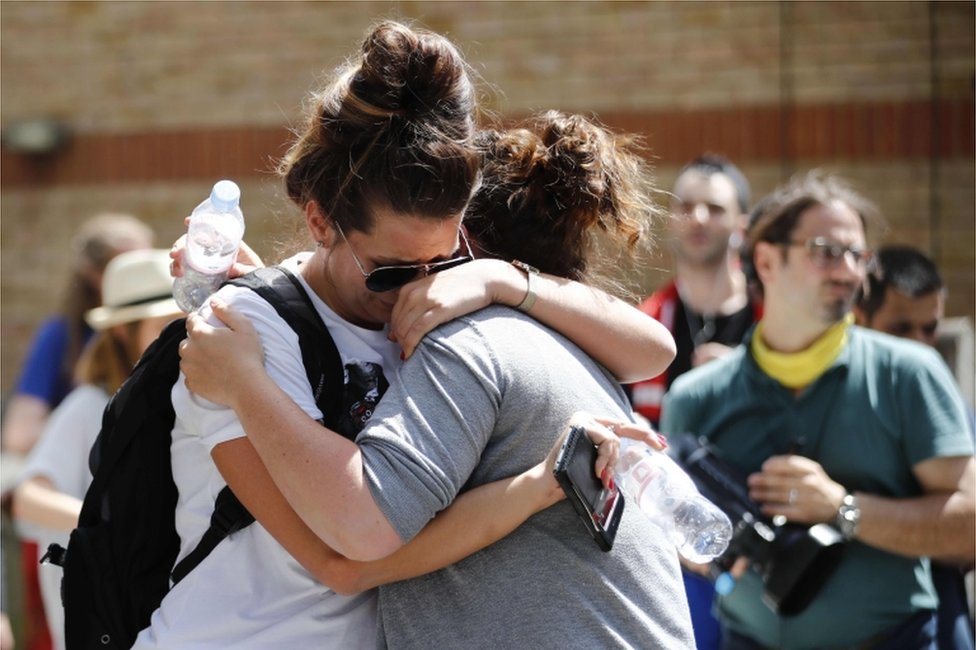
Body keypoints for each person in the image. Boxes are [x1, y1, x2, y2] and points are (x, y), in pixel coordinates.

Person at [137, 21, 681, 649]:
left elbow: (652, 351)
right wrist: (245, 382)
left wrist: (500, 280)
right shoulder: (239, 337)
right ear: (320, 220)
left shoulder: (451, 308)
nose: (421, 286)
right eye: (392, 270)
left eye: (445, 260)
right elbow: (346, 559)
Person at [659, 171, 975, 649]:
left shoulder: (910, 373)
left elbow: (968, 527)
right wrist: (710, 545)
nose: (848, 271)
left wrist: (843, 509)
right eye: (826, 251)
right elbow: (671, 541)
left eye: (858, 255)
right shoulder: (694, 396)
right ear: (766, 259)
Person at [11, 249, 183, 650]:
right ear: (124, 331)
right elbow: (27, 498)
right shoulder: (88, 406)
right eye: (167, 325)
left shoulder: (182, 406)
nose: (182, 336)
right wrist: (111, 529)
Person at [624, 153, 760, 649]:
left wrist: (746, 373)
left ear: (741, 225)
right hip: (671, 556)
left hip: (761, 548)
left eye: (715, 208)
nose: (698, 217)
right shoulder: (640, 326)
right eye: (686, 206)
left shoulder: (774, 326)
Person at [854, 244, 975, 650]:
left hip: (938, 625)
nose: (921, 345)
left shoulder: (951, 412)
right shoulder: (828, 400)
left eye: (929, 328)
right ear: (859, 318)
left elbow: (966, 540)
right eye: (902, 329)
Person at [2, 212, 155, 455]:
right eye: (126, 267)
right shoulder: (61, 335)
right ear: (93, 274)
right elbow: (19, 436)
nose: (142, 277)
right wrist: (92, 422)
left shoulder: (168, 327)